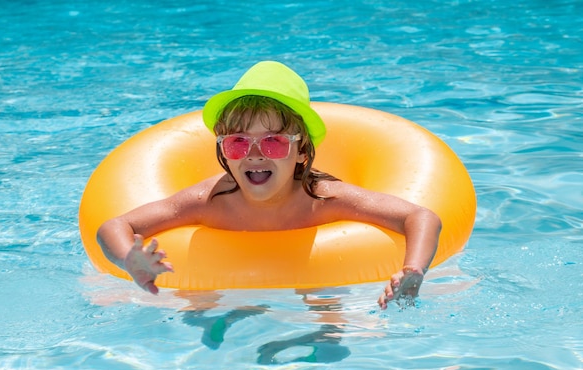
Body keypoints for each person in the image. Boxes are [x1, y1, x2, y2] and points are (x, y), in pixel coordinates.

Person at [96, 61, 442, 310]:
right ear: (223, 152)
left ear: (301, 151)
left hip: (313, 290)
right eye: (238, 143)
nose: (256, 154)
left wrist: (413, 271)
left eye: (274, 142)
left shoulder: (322, 198)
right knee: (200, 315)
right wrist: (130, 260)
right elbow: (115, 225)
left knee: (328, 322)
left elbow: (420, 217)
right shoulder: (210, 200)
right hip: (224, 293)